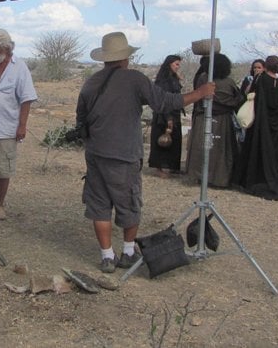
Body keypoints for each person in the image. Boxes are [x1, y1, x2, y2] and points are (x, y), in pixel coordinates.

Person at [75, 32, 215, 274]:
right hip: (125, 154)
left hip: (96, 153)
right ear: (125, 58)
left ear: (105, 58)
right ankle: (128, 252)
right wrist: (200, 94)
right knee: (129, 203)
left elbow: (81, 120)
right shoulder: (135, 80)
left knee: (99, 205)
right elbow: (165, 102)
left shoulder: (91, 82)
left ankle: (107, 256)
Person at [0, 29, 37, 220]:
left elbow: (26, 98)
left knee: (4, 169)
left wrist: (22, 125)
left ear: (7, 48)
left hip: (6, 127)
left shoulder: (19, 67)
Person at [231, 56, 278, 200]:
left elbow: (250, 94)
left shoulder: (261, 80)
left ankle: (254, 179)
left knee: (258, 150)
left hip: (261, 124)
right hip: (277, 126)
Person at [185, 53, 244, 187]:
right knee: (218, 149)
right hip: (219, 119)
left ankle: (203, 176)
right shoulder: (223, 81)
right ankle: (219, 178)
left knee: (208, 148)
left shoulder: (203, 79)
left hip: (206, 118)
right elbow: (237, 99)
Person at [148, 55, 184, 177]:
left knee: (174, 140)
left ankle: (172, 166)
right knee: (161, 140)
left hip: (175, 112)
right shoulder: (163, 80)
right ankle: (159, 168)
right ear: (169, 64)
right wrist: (168, 117)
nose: (178, 67)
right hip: (164, 114)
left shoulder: (173, 78)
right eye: (176, 64)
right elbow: (163, 99)